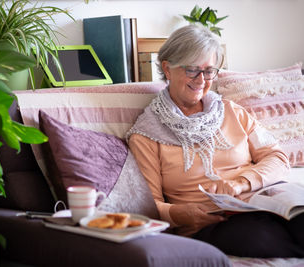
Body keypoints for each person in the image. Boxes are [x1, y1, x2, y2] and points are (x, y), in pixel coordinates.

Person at [127, 24, 304, 257]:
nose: (202, 80)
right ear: (167, 69)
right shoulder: (146, 135)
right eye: (192, 70)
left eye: (209, 71)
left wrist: (241, 182)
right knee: (259, 237)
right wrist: (181, 214)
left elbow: (277, 157)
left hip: (265, 201)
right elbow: (148, 206)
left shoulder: (232, 112)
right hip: (212, 222)